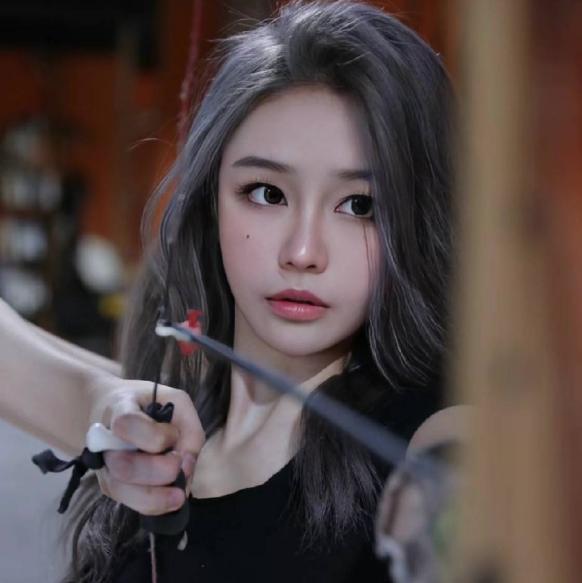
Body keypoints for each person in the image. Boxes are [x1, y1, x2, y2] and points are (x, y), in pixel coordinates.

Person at [0, 2, 466, 581]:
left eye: (359, 206)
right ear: (211, 202)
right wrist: (98, 396)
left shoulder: (426, 433)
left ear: (416, 225)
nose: (302, 251)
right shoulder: (159, 435)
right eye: (267, 193)